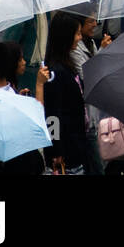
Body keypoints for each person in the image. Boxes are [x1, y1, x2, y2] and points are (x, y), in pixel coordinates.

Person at [42, 12, 90, 175]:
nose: (80, 37)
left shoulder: (67, 66)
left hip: (75, 146)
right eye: (77, 33)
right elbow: (52, 115)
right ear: (66, 36)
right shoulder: (56, 72)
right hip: (66, 154)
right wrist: (56, 151)